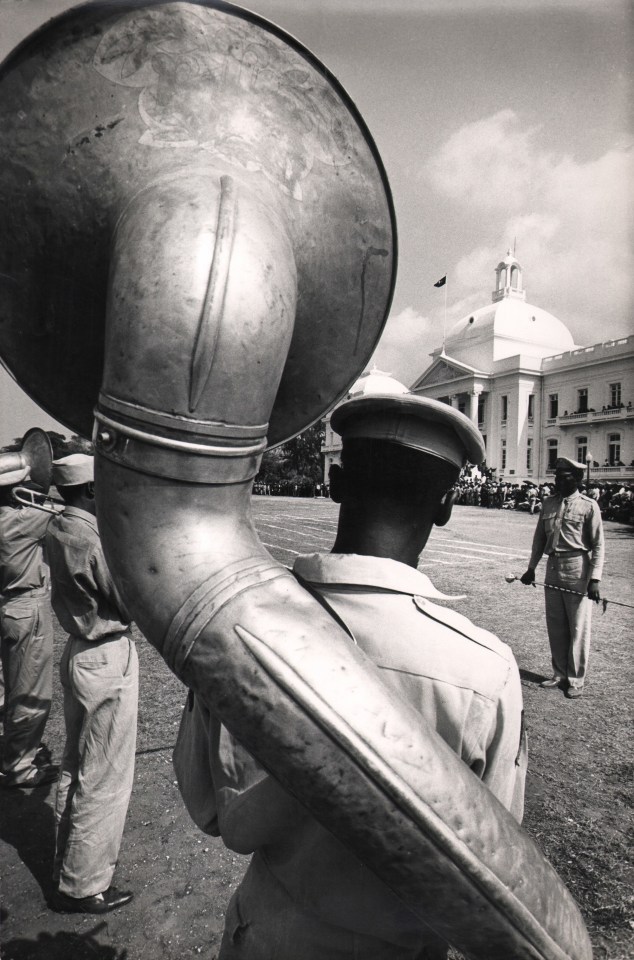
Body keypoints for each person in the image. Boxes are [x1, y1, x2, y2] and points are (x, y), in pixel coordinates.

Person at [176, 394, 527, 960]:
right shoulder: (485, 670)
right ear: (445, 508)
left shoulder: (241, 623)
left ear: (336, 482)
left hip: (266, 934)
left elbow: (205, 803)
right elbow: (493, 866)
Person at [45, 454, 138, 914]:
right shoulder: (90, 537)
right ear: (91, 490)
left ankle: (66, 864)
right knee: (105, 774)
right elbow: (126, 600)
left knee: (75, 763)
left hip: (78, 651)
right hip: (105, 653)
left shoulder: (57, 527)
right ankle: (83, 886)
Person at [520, 457, 604, 699]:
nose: (558, 482)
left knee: (578, 627)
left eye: (564, 478)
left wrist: (594, 579)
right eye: (556, 477)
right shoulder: (548, 503)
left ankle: (576, 679)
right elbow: (539, 539)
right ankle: (559, 674)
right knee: (555, 624)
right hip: (553, 567)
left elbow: (598, 545)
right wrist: (531, 568)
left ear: (577, 480)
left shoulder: (589, 506)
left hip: (577, 568)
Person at [0, 459, 57, 789]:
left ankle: (10, 753)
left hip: (8, 605)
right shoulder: (25, 519)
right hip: (26, 608)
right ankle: (20, 767)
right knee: (30, 691)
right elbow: (67, 515)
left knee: (11, 688)